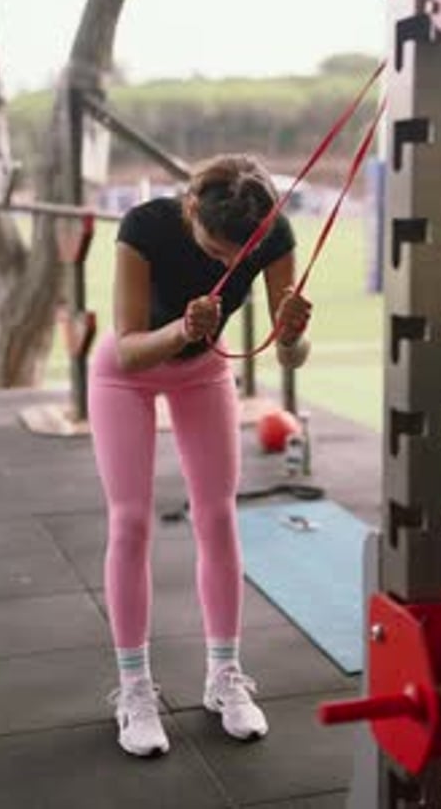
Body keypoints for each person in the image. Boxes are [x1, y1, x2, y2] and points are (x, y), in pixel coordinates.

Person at [88, 152, 312, 757]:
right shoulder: (144, 226)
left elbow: (289, 358)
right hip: (126, 375)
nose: (226, 266)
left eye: (236, 259)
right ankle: (134, 689)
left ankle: (224, 678)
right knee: (130, 521)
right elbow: (132, 350)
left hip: (201, 373)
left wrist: (292, 334)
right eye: (216, 253)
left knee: (217, 514)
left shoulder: (271, 235)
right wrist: (185, 330)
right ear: (191, 209)